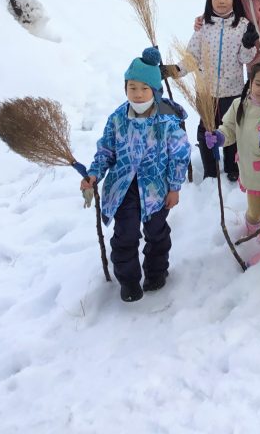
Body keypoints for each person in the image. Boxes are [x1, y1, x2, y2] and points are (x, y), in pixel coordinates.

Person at [80, 48, 191, 302]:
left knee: (156, 232)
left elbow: (180, 155)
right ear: (125, 88)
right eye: (132, 87)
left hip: (156, 189)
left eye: (144, 88)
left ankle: (156, 271)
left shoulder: (166, 121)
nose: (138, 94)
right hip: (124, 188)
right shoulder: (118, 118)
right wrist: (94, 174)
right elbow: (106, 151)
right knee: (125, 235)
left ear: (155, 90)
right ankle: (128, 281)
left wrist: (174, 187)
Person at [166, 0, 255, 182]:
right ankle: (210, 169)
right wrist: (175, 70)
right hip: (206, 91)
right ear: (210, 1)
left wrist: (249, 44)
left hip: (232, 90)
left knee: (230, 128)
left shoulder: (242, 25)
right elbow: (192, 57)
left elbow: (245, 59)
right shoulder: (203, 26)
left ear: (234, 0)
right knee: (206, 129)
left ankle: (232, 167)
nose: (221, 1)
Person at [205, 61, 260, 265]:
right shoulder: (239, 105)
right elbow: (230, 128)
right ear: (250, 82)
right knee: (254, 210)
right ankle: (253, 233)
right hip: (250, 173)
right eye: (258, 83)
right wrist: (220, 137)